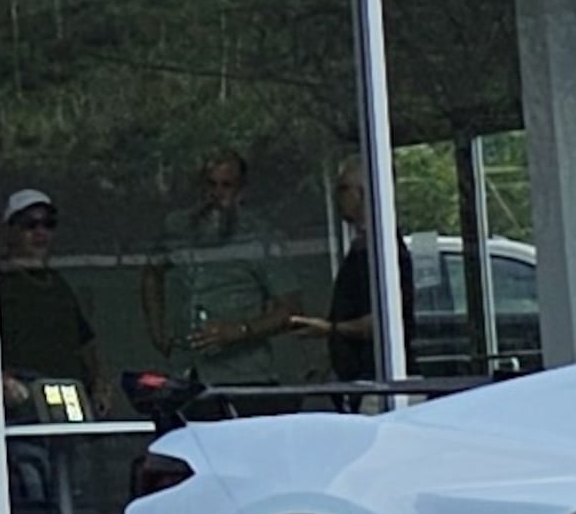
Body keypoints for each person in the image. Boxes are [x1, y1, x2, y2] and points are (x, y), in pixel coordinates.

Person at [0, 190, 114, 419]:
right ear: (10, 230)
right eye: (30, 224)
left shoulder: (58, 284)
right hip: (19, 406)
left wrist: (99, 383)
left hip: (66, 403)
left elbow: (86, 342)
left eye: (48, 224)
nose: (40, 232)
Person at [140, 151, 295, 387]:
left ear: (241, 191)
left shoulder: (261, 238)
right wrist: (157, 330)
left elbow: (290, 311)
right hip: (187, 374)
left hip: (244, 377)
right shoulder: (179, 228)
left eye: (226, 186)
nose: (217, 194)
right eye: (210, 184)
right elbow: (152, 272)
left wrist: (240, 331)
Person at [289, 156, 412, 389]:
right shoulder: (362, 248)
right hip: (359, 379)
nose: (338, 198)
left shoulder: (384, 253)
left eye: (344, 189)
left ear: (365, 194)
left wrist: (328, 329)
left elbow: (383, 321)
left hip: (382, 383)